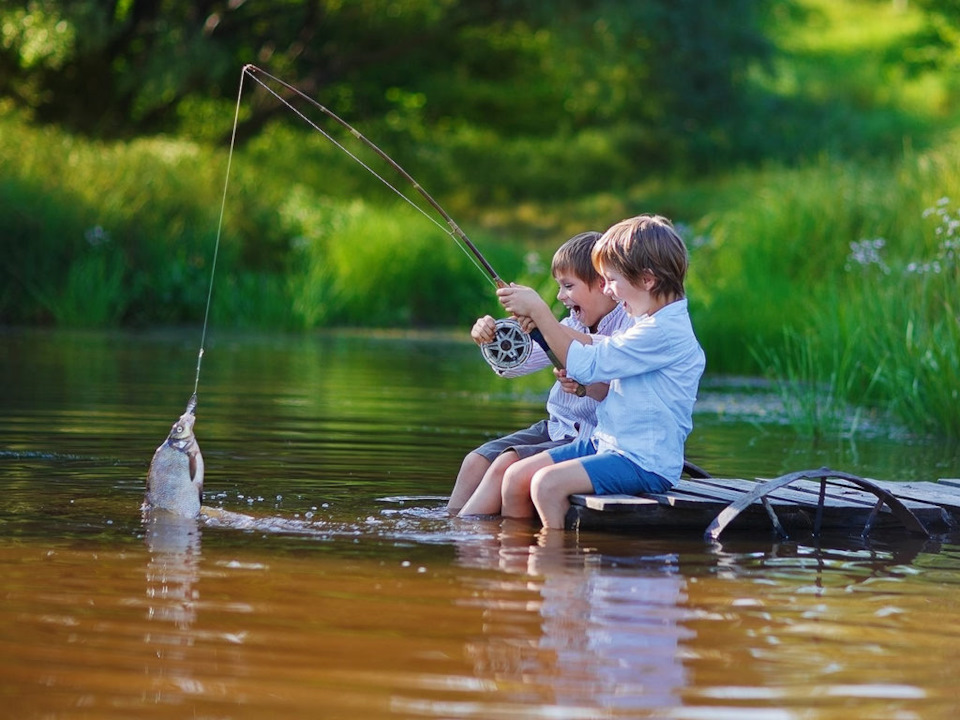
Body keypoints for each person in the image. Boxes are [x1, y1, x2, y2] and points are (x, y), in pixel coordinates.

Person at [496, 214, 705, 529]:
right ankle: (515, 561)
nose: (608, 290)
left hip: (641, 461)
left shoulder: (663, 331)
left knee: (546, 485)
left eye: (611, 280)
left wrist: (540, 312)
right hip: (606, 443)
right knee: (516, 475)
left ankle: (554, 567)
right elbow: (597, 355)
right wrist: (543, 327)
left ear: (647, 280)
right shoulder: (647, 321)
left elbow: (588, 364)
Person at [447, 231, 631, 516]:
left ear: (602, 284)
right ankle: (449, 524)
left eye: (568, 286)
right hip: (557, 428)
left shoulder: (628, 326)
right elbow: (514, 367)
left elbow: (603, 352)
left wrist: (543, 319)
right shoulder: (572, 323)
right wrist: (493, 336)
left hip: (592, 439)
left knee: (504, 466)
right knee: (475, 461)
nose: (560, 296)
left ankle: (466, 538)